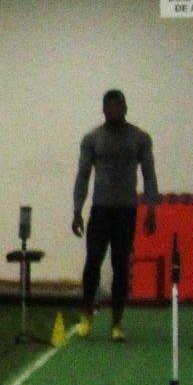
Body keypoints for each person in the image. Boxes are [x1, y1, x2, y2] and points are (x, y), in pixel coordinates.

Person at [70, 89, 159, 342]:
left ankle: (116, 324)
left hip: (126, 210)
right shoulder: (92, 139)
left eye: (118, 107)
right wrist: (77, 210)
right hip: (100, 210)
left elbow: (149, 175)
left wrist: (151, 209)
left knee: (121, 267)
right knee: (92, 264)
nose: (114, 111)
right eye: (109, 107)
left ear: (125, 108)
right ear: (103, 110)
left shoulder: (140, 138)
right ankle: (86, 315)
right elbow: (83, 175)